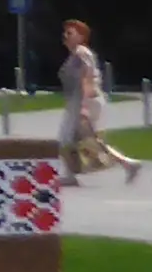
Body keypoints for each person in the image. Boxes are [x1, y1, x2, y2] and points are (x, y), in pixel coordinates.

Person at [58, 18, 140, 184]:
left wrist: (83, 107)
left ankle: (70, 176)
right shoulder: (76, 54)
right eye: (64, 33)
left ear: (81, 37)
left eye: (70, 33)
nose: (65, 36)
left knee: (68, 139)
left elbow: (86, 78)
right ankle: (128, 164)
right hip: (80, 102)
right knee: (87, 140)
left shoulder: (81, 53)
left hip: (85, 102)